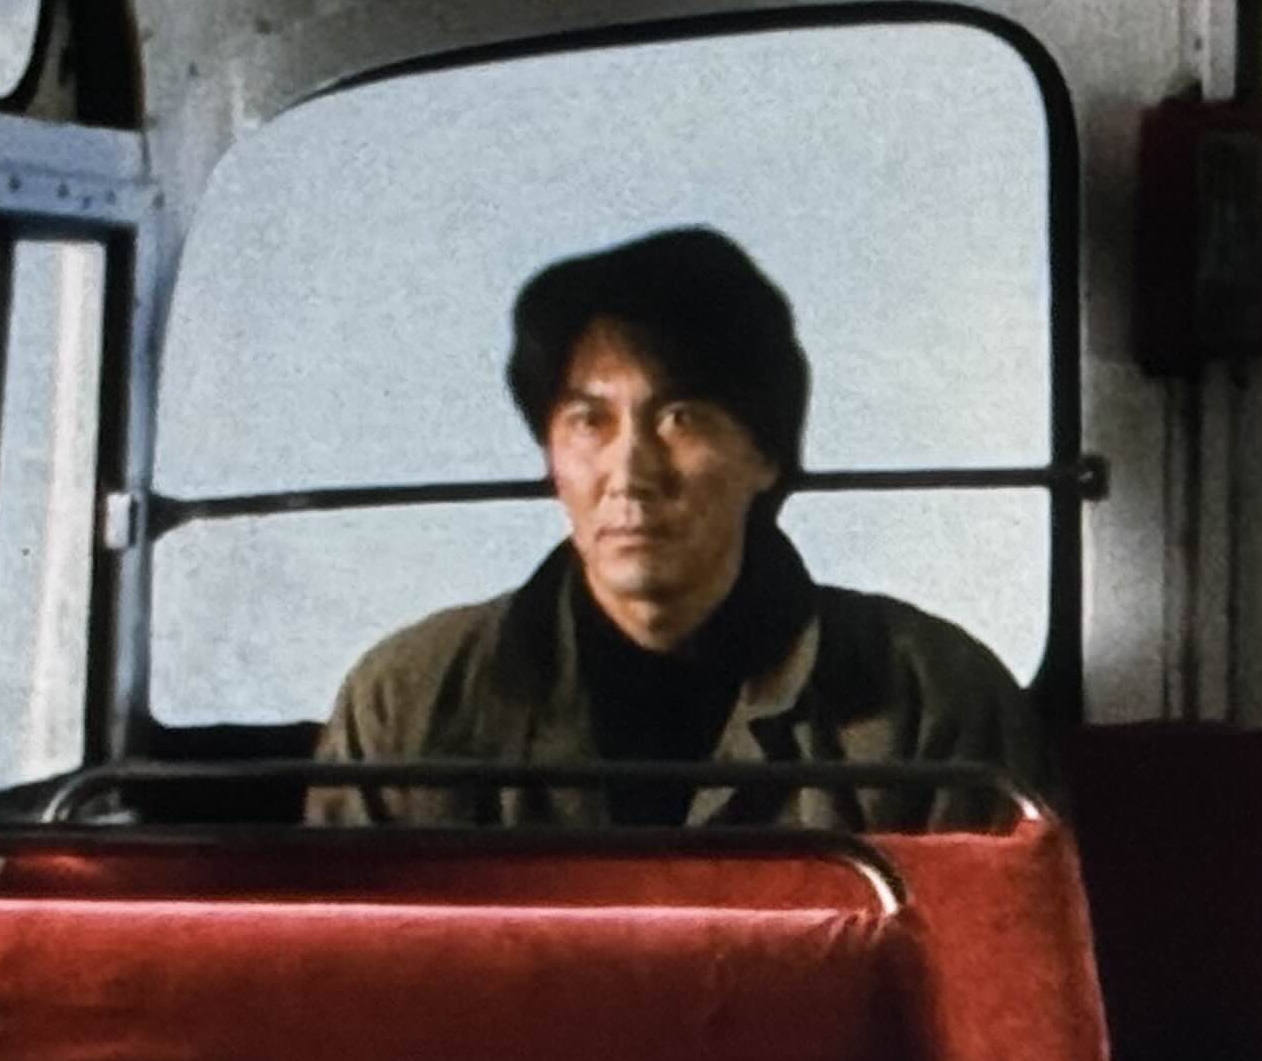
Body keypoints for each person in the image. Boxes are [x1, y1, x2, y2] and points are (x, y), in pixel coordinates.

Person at [309, 226, 1053, 829]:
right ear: (550, 456)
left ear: (766, 454)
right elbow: (344, 965)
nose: (631, 471)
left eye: (680, 417)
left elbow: (995, 966)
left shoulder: (931, 696)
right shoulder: (406, 700)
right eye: (589, 421)